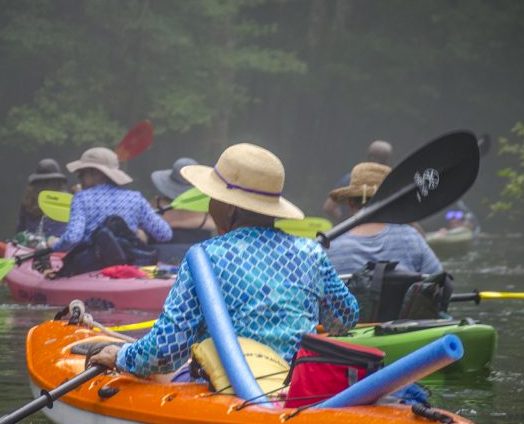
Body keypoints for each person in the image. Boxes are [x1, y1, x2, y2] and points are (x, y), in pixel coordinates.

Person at [87, 143, 359, 376]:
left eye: (213, 198)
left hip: (227, 389)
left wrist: (121, 356)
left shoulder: (204, 257)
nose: (209, 205)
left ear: (229, 208)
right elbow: (345, 318)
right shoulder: (310, 252)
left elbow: (166, 352)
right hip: (294, 386)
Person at [325, 162, 443, 275]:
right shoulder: (412, 238)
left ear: (350, 203)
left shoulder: (329, 247)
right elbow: (439, 285)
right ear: (391, 205)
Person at [49, 147, 172, 253]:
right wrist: (140, 231)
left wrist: (55, 244)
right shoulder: (135, 198)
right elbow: (165, 234)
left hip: (90, 265)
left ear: (98, 174)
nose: (79, 177)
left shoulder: (81, 198)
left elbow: (72, 238)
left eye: (82, 172)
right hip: (128, 264)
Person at [322, 140, 392, 223]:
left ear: (367, 157)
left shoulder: (351, 178)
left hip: (347, 231)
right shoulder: (390, 182)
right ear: (387, 161)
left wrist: (344, 223)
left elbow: (328, 207)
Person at [15, 158, 68, 242]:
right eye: (42, 182)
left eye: (50, 182)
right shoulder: (28, 202)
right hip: (28, 247)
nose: (46, 185)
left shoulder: (65, 204)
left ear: (58, 184)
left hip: (56, 249)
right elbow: (20, 231)